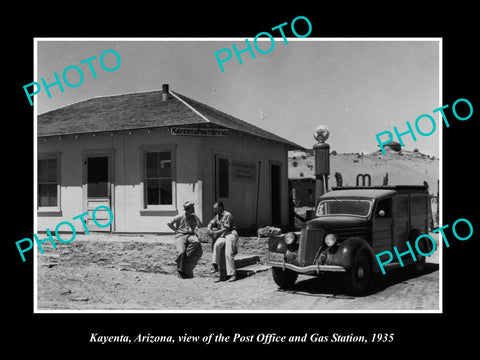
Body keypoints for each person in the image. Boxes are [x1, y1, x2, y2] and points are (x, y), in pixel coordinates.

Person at [166, 201, 203, 279]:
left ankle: (185, 257)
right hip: (180, 236)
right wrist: (176, 230)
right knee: (181, 252)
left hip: (190, 235)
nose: (193, 210)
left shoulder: (194, 217)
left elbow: (199, 226)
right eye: (192, 208)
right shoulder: (180, 216)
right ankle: (180, 270)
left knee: (196, 242)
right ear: (188, 209)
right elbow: (169, 223)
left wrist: (196, 229)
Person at [207, 201, 238, 282]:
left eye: (215, 208)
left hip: (231, 233)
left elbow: (226, 228)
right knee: (217, 245)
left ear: (220, 207)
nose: (214, 210)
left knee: (228, 252)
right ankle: (215, 265)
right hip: (224, 235)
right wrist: (209, 228)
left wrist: (215, 232)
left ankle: (232, 274)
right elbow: (211, 222)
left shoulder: (227, 215)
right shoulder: (217, 216)